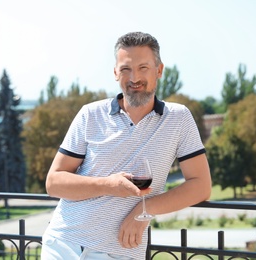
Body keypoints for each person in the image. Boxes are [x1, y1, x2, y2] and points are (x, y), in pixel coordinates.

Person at [41, 31, 212, 260]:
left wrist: (145, 210)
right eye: (125, 69)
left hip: (120, 253)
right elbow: (54, 183)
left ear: (159, 70)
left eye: (143, 68)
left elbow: (201, 186)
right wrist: (107, 185)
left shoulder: (178, 119)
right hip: (63, 244)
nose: (134, 78)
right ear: (115, 73)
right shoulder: (90, 114)